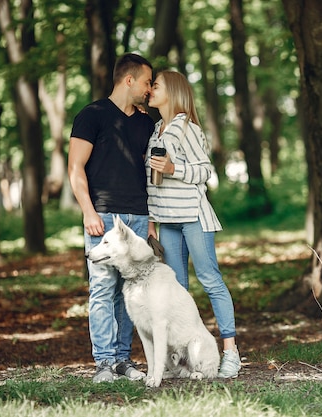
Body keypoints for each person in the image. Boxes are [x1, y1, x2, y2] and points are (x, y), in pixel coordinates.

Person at [146, 70, 241, 378]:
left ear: (172, 92)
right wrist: (151, 220)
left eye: (156, 86)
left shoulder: (186, 126)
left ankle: (230, 354)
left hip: (193, 217)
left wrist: (174, 168)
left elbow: (204, 171)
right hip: (168, 221)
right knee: (177, 290)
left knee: (210, 280)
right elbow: (150, 183)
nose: (150, 90)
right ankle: (181, 359)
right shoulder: (157, 129)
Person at [68, 53, 155, 383]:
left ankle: (122, 359)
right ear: (129, 80)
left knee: (130, 292)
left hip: (138, 217)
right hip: (103, 216)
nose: (150, 89)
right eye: (147, 82)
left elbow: (146, 173)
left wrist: (151, 223)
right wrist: (88, 211)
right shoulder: (91, 115)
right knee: (103, 289)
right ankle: (103, 363)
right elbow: (75, 168)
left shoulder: (146, 122)